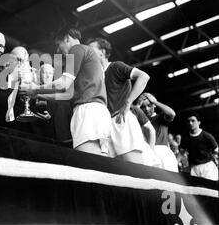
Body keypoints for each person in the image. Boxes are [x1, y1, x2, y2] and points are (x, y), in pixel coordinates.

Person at [21, 26, 111, 157]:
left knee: (88, 162)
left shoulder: (77, 49)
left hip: (88, 111)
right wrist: (37, 94)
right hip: (98, 112)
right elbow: (67, 95)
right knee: (99, 162)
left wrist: (35, 88)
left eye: (59, 45)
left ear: (67, 38)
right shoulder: (89, 58)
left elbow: (63, 83)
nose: (58, 50)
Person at [87, 38, 150, 164]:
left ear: (102, 52)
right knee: (115, 170)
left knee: (134, 167)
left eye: (91, 49)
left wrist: (128, 104)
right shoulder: (95, 76)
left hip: (121, 120)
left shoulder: (116, 66)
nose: (88, 53)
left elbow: (144, 76)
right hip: (106, 126)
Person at [31, 63, 73, 146]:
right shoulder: (33, 92)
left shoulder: (60, 93)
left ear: (53, 75)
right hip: (38, 136)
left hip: (57, 137)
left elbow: (64, 114)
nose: (47, 76)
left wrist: (51, 118)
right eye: (44, 73)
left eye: (50, 73)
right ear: (39, 75)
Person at [138, 92, 179, 172]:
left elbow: (172, 113)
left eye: (149, 105)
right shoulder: (139, 121)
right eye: (143, 106)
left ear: (154, 105)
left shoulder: (160, 117)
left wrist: (154, 101)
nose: (146, 109)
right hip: (147, 153)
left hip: (163, 153)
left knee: (170, 181)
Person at [180, 113, 218, 180]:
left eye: (193, 121)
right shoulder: (185, 138)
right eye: (188, 121)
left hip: (208, 168)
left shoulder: (206, 136)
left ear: (199, 122)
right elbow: (181, 153)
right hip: (194, 169)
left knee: (210, 188)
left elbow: (216, 150)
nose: (190, 123)